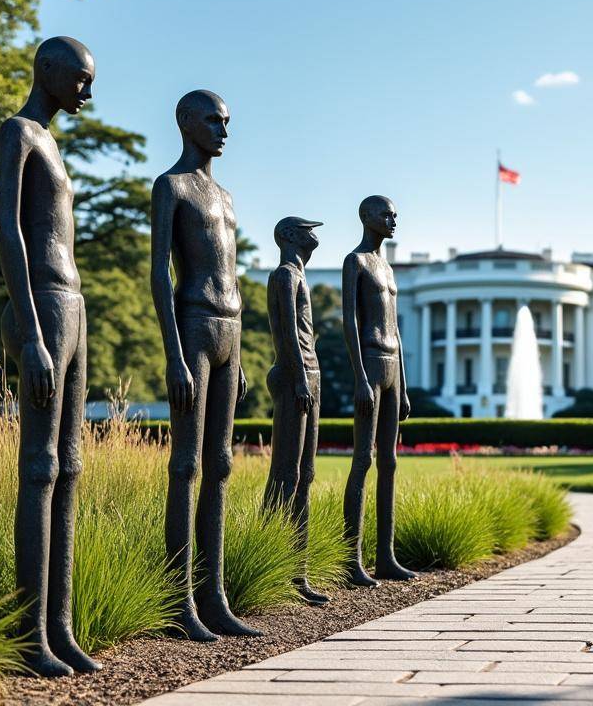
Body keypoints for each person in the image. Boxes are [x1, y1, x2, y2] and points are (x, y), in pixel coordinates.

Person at [0, 36, 100, 676]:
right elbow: (9, 228)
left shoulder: (51, 141)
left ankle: (58, 626)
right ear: (50, 73)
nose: (88, 90)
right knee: (39, 467)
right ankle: (28, 635)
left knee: (71, 464)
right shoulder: (19, 133)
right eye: (81, 79)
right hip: (42, 304)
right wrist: (31, 332)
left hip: (74, 305)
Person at [150, 89, 260, 640]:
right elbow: (159, 275)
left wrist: (237, 358)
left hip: (230, 328)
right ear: (186, 123)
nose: (224, 130)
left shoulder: (227, 197)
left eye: (227, 121)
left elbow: (235, 274)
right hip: (193, 323)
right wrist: (174, 354)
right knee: (186, 464)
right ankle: (180, 599)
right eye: (214, 121)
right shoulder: (170, 187)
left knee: (220, 464)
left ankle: (214, 596)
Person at [342, 195, 416, 586]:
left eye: (395, 215)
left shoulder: (387, 268)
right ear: (366, 217)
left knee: (389, 461)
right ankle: (352, 559)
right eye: (386, 214)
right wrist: (358, 376)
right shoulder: (355, 262)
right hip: (369, 361)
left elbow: (398, 331)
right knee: (363, 460)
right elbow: (349, 322)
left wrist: (402, 386)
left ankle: (385, 556)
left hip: (391, 365)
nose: (393, 220)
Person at [263, 216, 329, 606]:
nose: (314, 235)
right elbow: (285, 330)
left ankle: (297, 571)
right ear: (289, 236)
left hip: (310, 374)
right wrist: (301, 377)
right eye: (307, 230)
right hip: (295, 377)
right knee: (285, 474)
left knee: (305, 474)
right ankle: (273, 563)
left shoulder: (299, 276)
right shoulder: (285, 276)